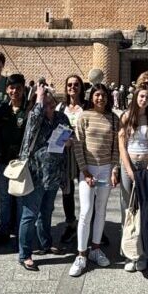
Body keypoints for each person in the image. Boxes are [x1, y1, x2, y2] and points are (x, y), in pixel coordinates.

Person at [17, 84, 72, 271]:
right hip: (35, 173)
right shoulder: (35, 116)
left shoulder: (61, 117)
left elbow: (68, 134)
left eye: (51, 103)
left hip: (53, 173)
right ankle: (24, 254)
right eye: (45, 103)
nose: (48, 107)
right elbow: (33, 120)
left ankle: (45, 243)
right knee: (30, 214)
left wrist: (69, 140)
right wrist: (39, 96)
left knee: (47, 210)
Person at [68, 83, 120, 276]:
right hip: (88, 169)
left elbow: (116, 147)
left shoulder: (114, 119)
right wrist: (85, 171)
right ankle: (81, 254)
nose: (101, 99)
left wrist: (115, 169)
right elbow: (78, 145)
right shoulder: (84, 116)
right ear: (92, 97)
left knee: (101, 210)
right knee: (86, 210)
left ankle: (96, 249)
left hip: (106, 169)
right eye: (97, 95)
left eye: (104, 95)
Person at [118, 85, 148, 271]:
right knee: (128, 208)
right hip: (129, 165)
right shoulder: (127, 117)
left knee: (145, 209)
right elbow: (122, 145)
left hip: (146, 166)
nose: (144, 99)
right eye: (142, 96)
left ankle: (143, 254)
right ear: (136, 97)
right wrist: (129, 170)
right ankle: (129, 253)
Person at [0, 74, 29, 249]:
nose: (14, 91)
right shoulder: (2, 109)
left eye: (18, 88)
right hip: (3, 162)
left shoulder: (29, 111)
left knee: (20, 199)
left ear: (23, 90)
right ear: (7, 90)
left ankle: (21, 234)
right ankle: (4, 231)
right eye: (11, 88)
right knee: (4, 199)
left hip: (21, 164)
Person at [58, 74, 86, 247]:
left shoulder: (87, 107)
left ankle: (89, 223)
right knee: (67, 189)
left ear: (81, 87)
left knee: (89, 189)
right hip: (67, 153)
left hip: (85, 152)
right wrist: (64, 141)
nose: (72, 88)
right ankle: (70, 223)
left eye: (76, 85)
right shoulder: (62, 108)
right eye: (69, 85)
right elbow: (56, 130)